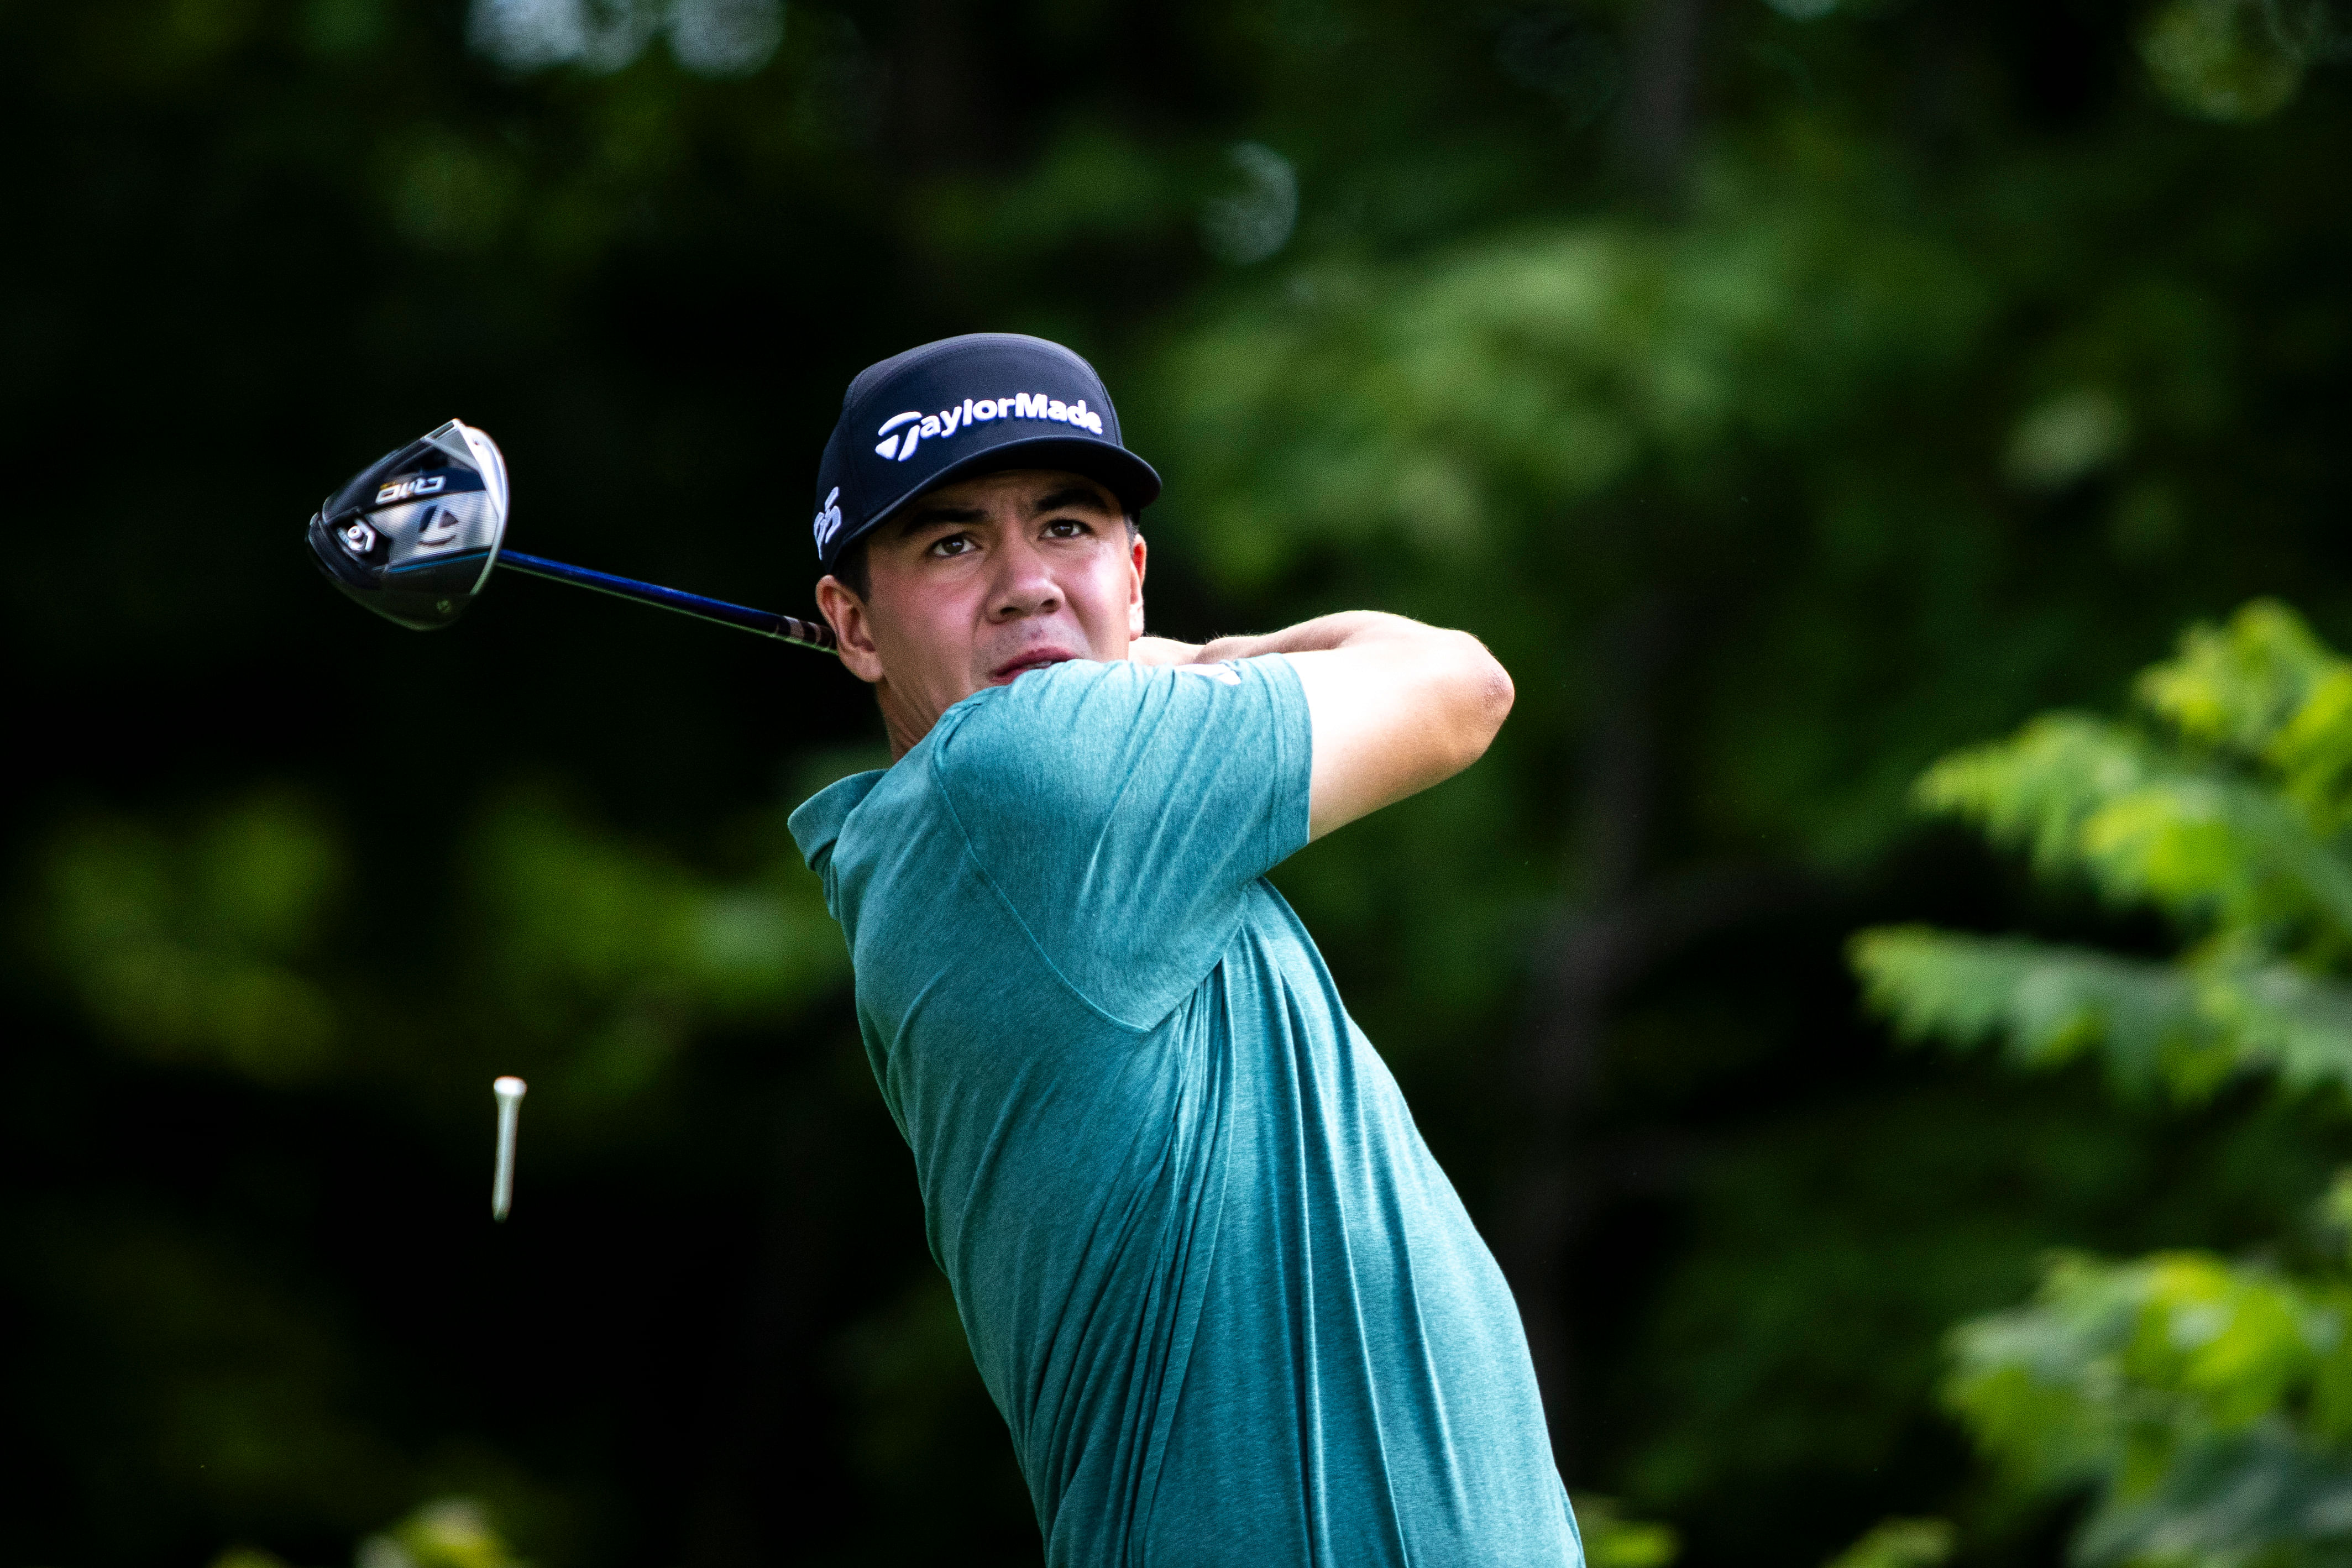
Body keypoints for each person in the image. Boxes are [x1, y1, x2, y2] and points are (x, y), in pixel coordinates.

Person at [790, 333, 1581, 1567]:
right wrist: (1213, 659)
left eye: (1067, 528)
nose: (1025, 584)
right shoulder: (1026, 778)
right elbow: (1457, 682)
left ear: (1134, 571)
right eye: (951, 543)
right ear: (851, 622)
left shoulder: (1006, 818)